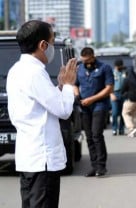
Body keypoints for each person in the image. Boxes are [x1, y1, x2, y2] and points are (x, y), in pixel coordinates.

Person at [6, 20, 77, 208]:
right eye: (52, 42)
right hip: (42, 160)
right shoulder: (34, 72)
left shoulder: (17, 70)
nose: (52, 47)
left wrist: (60, 86)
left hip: (30, 157)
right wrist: (69, 85)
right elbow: (63, 110)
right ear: (43, 45)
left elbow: (42, 102)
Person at [74, 47, 114, 177]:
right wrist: (77, 95)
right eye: (83, 60)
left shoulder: (104, 68)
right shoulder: (79, 68)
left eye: (87, 60)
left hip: (99, 105)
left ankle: (101, 166)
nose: (85, 63)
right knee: (89, 137)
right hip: (84, 106)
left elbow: (109, 88)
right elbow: (74, 84)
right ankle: (94, 165)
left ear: (93, 57)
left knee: (97, 134)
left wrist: (92, 99)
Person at [121, 67, 136, 138]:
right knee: (134, 115)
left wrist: (125, 95)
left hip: (131, 99)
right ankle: (134, 129)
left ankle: (131, 128)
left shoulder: (127, 79)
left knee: (125, 113)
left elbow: (123, 90)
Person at [110, 59, 126, 136]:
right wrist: (111, 94)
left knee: (123, 113)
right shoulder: (111, 73)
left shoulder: (125, 73)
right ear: (116, 66)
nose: (121, 67)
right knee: (115, 113)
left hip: (124, 94)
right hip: (115, 93)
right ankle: (114, 129)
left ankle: (121, 129)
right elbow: (108, 84)